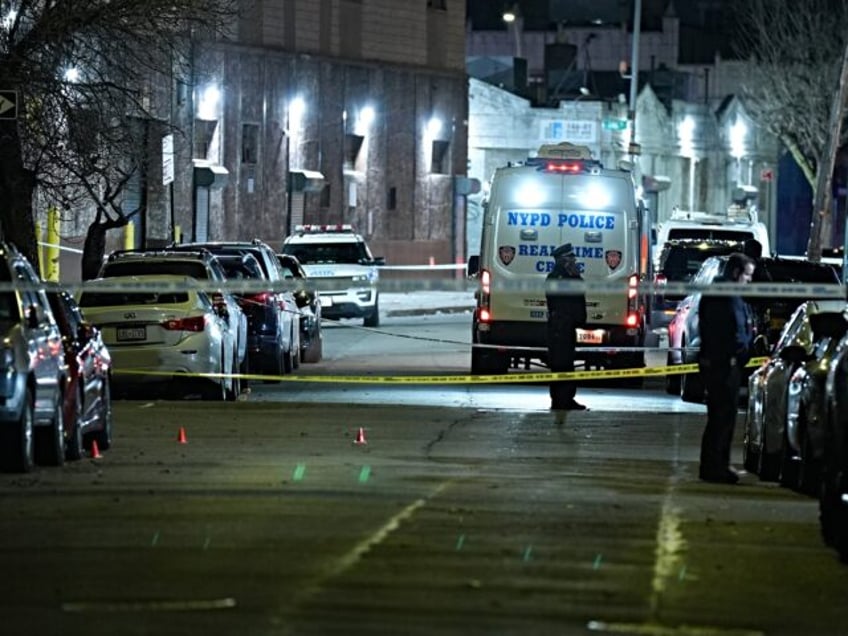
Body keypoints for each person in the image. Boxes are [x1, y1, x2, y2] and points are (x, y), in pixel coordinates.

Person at [697, 252, 756, 484]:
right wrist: (735, 352)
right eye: (747, 276)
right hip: (722, 365)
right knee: (721, 417)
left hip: (728, 363)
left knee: (725, 417)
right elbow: (724, 332)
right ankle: (714, 467)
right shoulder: (722, 296)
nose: (749, 281)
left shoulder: (731, 295)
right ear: (735, 273)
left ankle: (718, 464)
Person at [545, 243, 588, 410]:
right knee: (560, 364)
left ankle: (566, 399)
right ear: (563, 260)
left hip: (567, 327)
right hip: (559, 328)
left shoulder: (569, 277)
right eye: (571, 258)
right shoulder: (556, 278)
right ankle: (560, 400)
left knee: (567, 364)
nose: (574, 261)